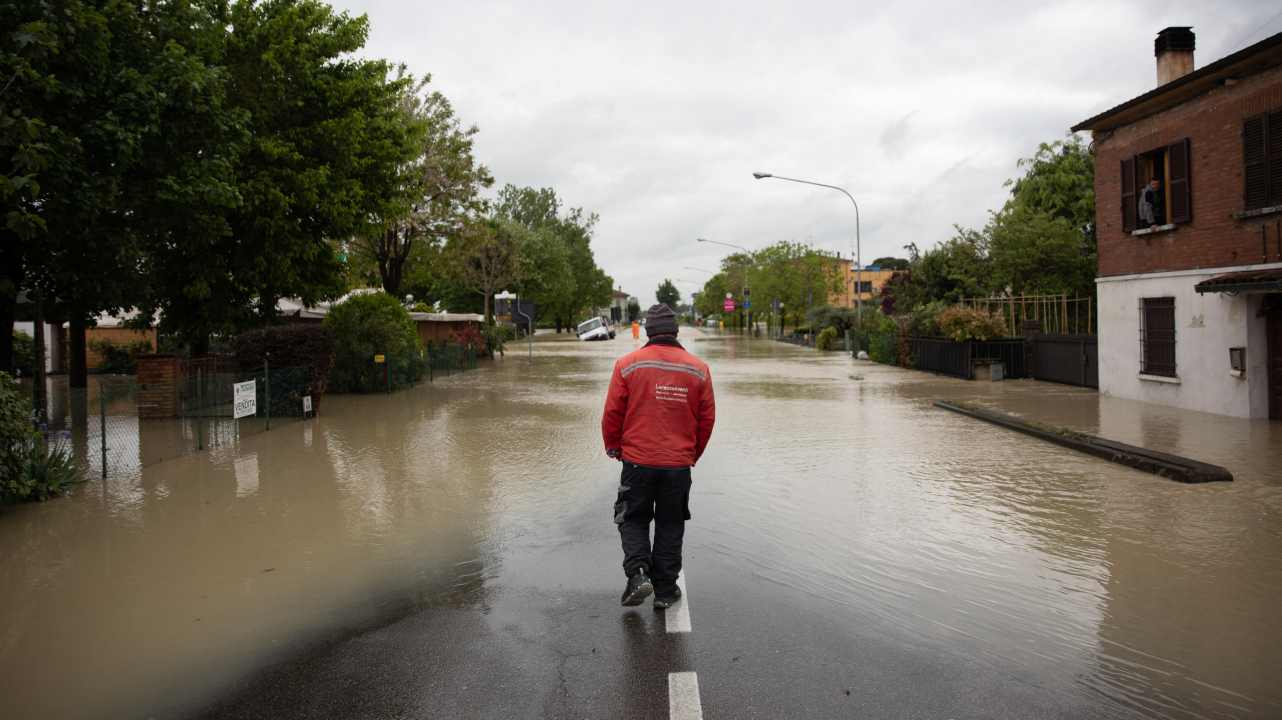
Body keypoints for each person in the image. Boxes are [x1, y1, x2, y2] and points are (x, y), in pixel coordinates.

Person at [601, 304, 715, 609]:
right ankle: (665, 591)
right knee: (670, 523)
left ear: (648, 331)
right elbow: (706, 421)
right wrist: (692, 454)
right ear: (675, 331)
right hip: (678, 465)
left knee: (633, 518)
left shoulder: (627, 365)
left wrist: (614, 447)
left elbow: (613, 413)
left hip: (637, 462)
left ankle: (638, 575)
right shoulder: (698, 369)